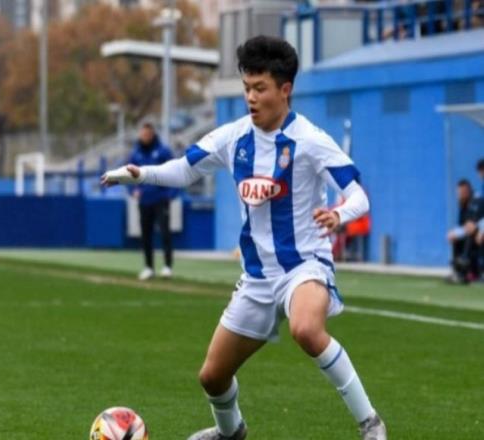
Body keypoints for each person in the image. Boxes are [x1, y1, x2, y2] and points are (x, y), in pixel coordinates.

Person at [103, 35, 386, 440]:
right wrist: (140, 174)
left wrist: (339, 214)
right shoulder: (233, 137)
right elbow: (184, 169)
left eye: (260, 88)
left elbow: (359, 195)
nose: (251, 98)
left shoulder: (310, 141)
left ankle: (370, 423)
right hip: (256, 277)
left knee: (306, 330)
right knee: (212, 376)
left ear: (285, 90)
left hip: (303, 266)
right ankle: (230, 432)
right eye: (246, 88)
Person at [128, 122, 174, 280]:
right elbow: (128, 175)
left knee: (165, 232)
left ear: (152, 134)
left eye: (148, 134)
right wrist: (133, 191)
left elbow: (174, 171)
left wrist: (170, 194)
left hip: (161, 198)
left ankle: (167, 266)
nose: (145, 137)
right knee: (146, 234)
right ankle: (149, 267)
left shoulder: (163, 151)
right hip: (144, 200)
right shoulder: (136, 154)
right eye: (143, 134)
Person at [446, 179, 483, 283]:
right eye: (459, 193)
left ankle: (467, 266)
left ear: (468, 190)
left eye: (462, 192)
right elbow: (463, 225)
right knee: (456, 238)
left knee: (470, 234)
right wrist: (454, 233)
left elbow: (472, 225)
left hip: (479, 233)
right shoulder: (462, 204)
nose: (460, 195)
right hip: (474, 233)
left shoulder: (477, 201)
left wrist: (480, 230)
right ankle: (458, 271)